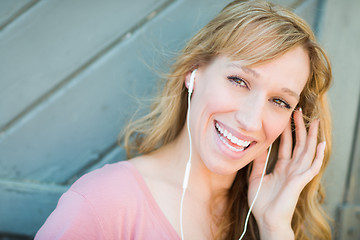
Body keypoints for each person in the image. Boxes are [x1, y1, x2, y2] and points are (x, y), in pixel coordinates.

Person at [35, 0, 333, 239]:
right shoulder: (103, 203)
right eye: (238, 80)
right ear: (194, 73)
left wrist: (274, 228)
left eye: (279, 101)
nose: (251, 120)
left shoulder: (277, 217)